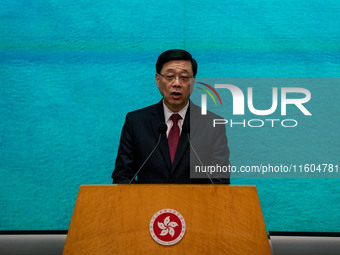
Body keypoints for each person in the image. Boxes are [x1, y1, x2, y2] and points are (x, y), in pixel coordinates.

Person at [112, 49, 230, 184]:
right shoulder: (136, 122)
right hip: (149, 204)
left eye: (184, 77)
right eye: (170, 76)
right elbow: (123, 176)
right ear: (158, 80)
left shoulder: (212, 124)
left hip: (195, 204)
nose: (177, 83)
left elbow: (220, 180)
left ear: (193, 82)